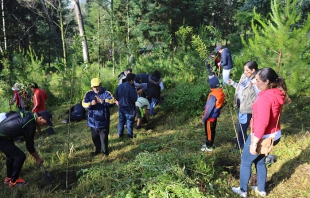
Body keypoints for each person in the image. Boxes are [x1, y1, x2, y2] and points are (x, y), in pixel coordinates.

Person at [232, 67, 290, 197]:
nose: (254, 82)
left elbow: (263, 122)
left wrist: (254, 142)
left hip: (262, 136)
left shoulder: (265, 98)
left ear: (267, 81)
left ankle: (242, 190)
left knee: (246, 161)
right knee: (260, 161)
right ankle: (261, 189)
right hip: (274, 134)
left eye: (257, 80)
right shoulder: (276, 92)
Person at [0, 110, 52, 187]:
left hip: (5, 136)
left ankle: (8, 178)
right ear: (40, 118)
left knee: (11, 156)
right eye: (45, 123)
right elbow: (29, 146)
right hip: (2, 138)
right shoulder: (30, 124)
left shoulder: (29, 115)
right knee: (20, 156)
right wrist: (37, 158)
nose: (45, 125)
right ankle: (14, 181)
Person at [227, 61, 259, 151]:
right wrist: (233, 83)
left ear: (253, 70)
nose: (245, 72)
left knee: (242, 129)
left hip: (247, 108)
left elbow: (259, 96)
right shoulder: (244, 77)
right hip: (240, 106)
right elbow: (241, 89)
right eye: (244, 69)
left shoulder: (256, 82)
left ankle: (244, 148)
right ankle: (240, 145)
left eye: (247, 70)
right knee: (240, 128)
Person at [82, 78, 116, 157]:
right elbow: (83, 104)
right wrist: (91, 103)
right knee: (94, 138)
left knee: (103, 139)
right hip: (92, 121)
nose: (96, 88)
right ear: (91, 87)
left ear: (101, 85)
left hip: (103, 121)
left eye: (98, 86)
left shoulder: (106, 93)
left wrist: (103, 101)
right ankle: (98, 150)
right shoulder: (88, 94)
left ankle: (105, 152)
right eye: (94, 87)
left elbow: (113, 101)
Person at [201, 75, 225, 152]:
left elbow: (208, 109)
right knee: (212, 130)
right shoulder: (220, 92)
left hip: (210, 117)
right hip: (214, 116)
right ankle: (209, 143)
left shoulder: (213, 95)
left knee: (209, 131)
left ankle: (209, 146)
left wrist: (204, 118)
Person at [115, 73, 138, 138]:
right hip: (129, 107)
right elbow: (134, 99)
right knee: (129, 121)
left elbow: (116, 96)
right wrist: (136, 93)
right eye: (133, 80)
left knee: (121, 120)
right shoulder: (130, 88)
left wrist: (119, 101)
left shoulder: (120, 86)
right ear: (131, 80)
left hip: (121, 106)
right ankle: (130, 136)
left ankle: (120, 134)